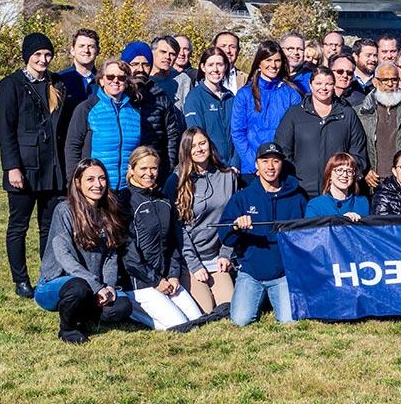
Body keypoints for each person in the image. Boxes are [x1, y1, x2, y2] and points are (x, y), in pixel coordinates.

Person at [0, 32, 69, 298]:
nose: (43, 59)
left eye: (47, 54)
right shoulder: (11, 85)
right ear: (27, 56)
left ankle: (47, 275)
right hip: (24, 169)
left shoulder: (58, 83)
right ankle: (21, 280)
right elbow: (5, 130)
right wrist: (11, 166)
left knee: (49, 227)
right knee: (19, 226)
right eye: (37, 55)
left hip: (52, 168)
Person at [34, 159, 131, 343]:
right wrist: (96, 286)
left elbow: (111, 255)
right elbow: (64, 257)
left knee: (122, 307)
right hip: (58, 284)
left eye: (102, 178)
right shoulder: (64, 211)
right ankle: (68, 329)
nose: (98, 184)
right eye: (90, 179)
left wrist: (109, 286)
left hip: (94, 286)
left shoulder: (108, 211)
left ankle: (85, 313)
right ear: (78, 183)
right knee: (78, 288)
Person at [222, 142, 309, 326]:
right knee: (240, 320)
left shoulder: (297, 196)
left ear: (281, 164)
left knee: (289, 322)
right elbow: (224, 235)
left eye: (275, 161)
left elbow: (307, 235)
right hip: (251, 273)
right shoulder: (242, 197)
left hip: (283, 273)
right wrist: (236, 227)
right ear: (256, 165)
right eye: (265, 161)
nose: (270, 167)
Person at [119, 146, 202, 330]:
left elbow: (172, 242)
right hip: (139, 283)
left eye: (153, 168)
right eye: (143, 168)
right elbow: (129, 256)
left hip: (166, 278)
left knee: (197, 320)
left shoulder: (164, 200)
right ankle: (133, 310)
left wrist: (173, 275)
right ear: (131, 170)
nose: (149, 173)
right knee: (181, 326)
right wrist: (155, 281)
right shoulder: (124, 201)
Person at [166, 127, 238, 314]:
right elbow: (177, 229)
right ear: (186, 151)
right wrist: (194, 265)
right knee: (204, 311)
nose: (198, 149)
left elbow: (233, 220)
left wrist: (226, 253)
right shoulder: (177, 180)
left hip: (218, 256)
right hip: (190, 260)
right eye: (193, 146)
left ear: (209, 145)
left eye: (202, 143)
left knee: (227, 308)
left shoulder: (227, 176)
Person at [274, 67, 369, 199]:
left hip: (337, 192)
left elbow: (358, 152)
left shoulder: (347, 114)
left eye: (328, 84)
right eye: (318, 83)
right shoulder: (294, 114)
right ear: (310, 85)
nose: (323, 88)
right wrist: (293, 179)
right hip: (302, 191)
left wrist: (346, 177)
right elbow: (283, 150)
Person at [65, 57, 142, 188]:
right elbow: (73, 146)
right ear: (101, 80)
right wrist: (74, 180)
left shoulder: (134, 112)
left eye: (121, 78)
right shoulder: (86, 108)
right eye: (110, 77)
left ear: (127, 82)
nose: (116, 81)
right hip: (96, 187)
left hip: (127, 187)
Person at [229, 40, 302, 179]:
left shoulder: (292, 95)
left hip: (281, 168)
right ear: (259, 63)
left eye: (277, 61)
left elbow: (296, 134)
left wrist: (277, 164)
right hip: (251, 169)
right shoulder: (245, 94)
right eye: (268, 60)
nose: (273, 65)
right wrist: (256, 164)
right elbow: (238, 132)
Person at [124, 41, 183, 183]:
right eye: (135, 64)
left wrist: (167, 168)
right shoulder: (119, 95)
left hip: (153, 171)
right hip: (124, 169)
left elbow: (171, 136)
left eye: (145, 64)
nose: (140, 69)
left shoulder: (159, 95)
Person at [183, 46, 236, 167]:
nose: (216, 69)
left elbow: (238, 132)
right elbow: (196, 137)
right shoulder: (195, 97)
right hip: (211, 167)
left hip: (233, 167)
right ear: (203, 67)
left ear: (226, 67)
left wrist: (235, 163)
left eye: (220, 64)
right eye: (211, 64)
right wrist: (218, 165)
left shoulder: (230, 97)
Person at [307, 152, 370, 219]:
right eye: (339, 170)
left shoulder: (362, 202)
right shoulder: (315, 205)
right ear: (330, 174)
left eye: (349, 171)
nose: (345, 175)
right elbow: (312, 229)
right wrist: (341, 221)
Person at [58, 28, 99, 124]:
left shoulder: (106, 81)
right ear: (72, 50)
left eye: (91, 46)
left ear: (97, 51)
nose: (86, 50)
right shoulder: (60, 80)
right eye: (81, 46)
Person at [150, 34, 192, 111]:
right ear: (152, 52)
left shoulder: (183, 80)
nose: (167, 57)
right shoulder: (143, 79)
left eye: (172, 54)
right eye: (163, 52)